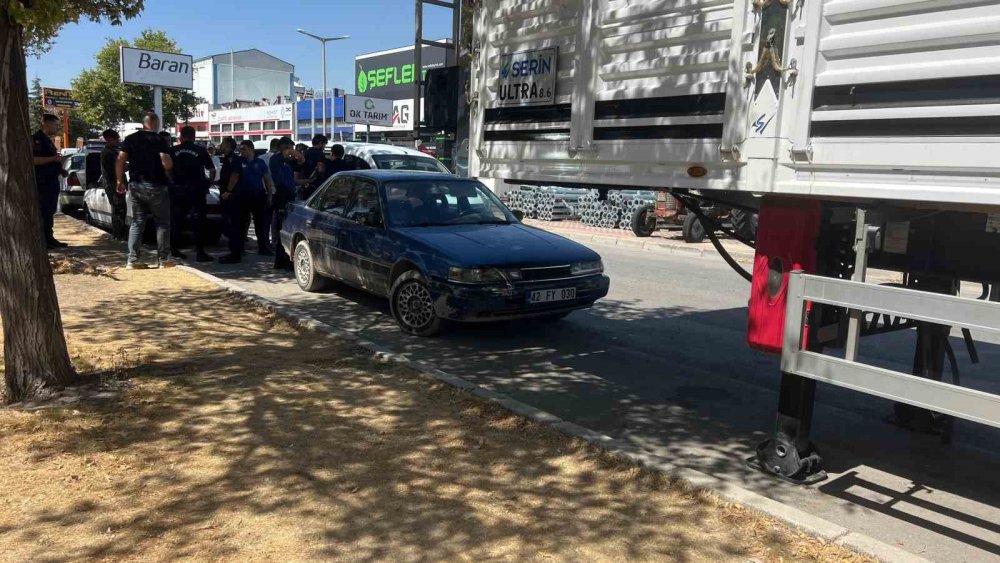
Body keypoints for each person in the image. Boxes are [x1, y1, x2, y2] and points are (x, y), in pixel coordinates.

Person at [116, 112, 174, 269]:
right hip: (156, 185)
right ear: (154, 122)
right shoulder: (158, 139)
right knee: (162, 223)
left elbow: (120, 159)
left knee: (137, 222)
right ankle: (164, 259)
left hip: (136, 185)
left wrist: (120, 180)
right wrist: (168, 167)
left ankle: (133, 259)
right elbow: (166, 163)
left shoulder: (131, 139)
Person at [218, 140, 272, 264]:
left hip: (258, 195)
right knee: (241, 223)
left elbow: (266, 179)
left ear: (251, 149)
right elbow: (234, 177)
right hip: (242, 195)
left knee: (260, 223)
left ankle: (263, 247)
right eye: (240, 149)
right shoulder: (239, 161)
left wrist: (269, 194)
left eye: (244, 149)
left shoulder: (260, 162)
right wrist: (229, 191)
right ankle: (240, 249)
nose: (241, 152)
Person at [168, 126, 216, 262]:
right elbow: (211, 170)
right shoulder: (200, 150)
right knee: (199, 221)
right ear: (194, 137)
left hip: (178, 190)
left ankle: (174, 250)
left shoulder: (173, 150)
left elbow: (167, 169)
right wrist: (209, 183)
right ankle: (200, 252)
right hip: (197, 190)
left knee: (177, 220)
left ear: (181, 137)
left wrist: (172, 182)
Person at [268, 137, 305, 270]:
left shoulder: (288, 162)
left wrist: (299, 158)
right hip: (281, 195)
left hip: (290, 195)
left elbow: (300, 164)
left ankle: (286, 259)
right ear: (283, 147)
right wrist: (291, 153)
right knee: (279, 229)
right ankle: (280, 260)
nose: (291, 151)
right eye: (289, 147)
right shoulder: (276, 159)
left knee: (288, 227)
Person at [32, 113, 67, 249]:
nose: (57, 128)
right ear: (45, 123)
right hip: (43, 183)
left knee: (49, 212)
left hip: (51, 181)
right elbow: (33, 160)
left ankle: (49, 238)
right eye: (55, 124)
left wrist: (60, 169)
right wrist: (53, 159)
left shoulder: (47, 140)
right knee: (44, 212)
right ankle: (45, 240)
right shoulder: (37, 139)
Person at [99, 129, 127, 241]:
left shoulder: (113, 151)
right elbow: (113, 170)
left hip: (116, 184)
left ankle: (119, 234)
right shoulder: (107, 153)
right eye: (116, 139)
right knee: (118, 210)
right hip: (113, 185)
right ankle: (118, 234)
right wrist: (124, 167)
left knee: (121, 209)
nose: (118, 141)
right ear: (109, 139)